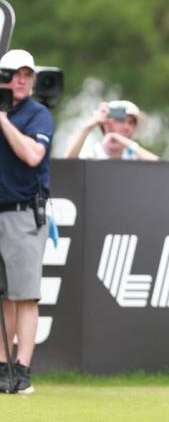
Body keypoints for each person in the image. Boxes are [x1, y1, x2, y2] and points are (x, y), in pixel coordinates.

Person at [0, 49, 55, 394]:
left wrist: (3, 120)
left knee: (24, 297)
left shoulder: (38, 114)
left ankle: (22, 372)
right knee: (3, 298)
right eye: (13, 73)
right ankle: (2, 367)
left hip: (22, 214)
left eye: (26, 74)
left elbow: (34, 155)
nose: (20, 80)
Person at [64, 99, 158, 160]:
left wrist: (125, 141)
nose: (127, 127)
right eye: (121, 120)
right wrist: (87, 127)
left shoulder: (133, 155)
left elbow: (161, 167)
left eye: (131, 123)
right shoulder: (93, 153)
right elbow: (68, 164)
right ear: (105, 122)